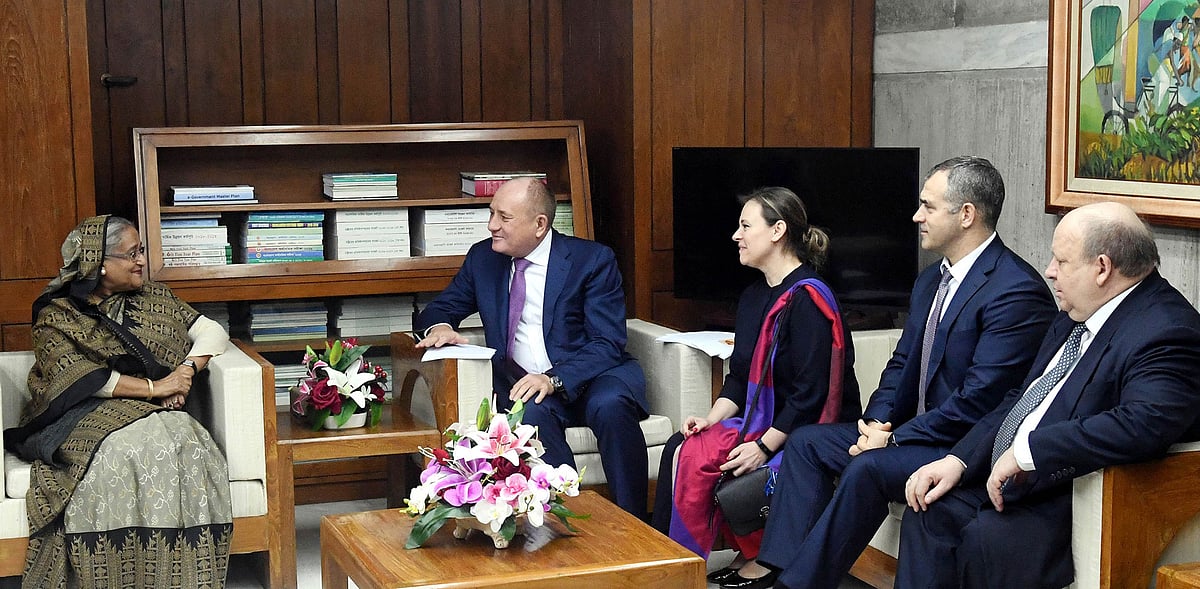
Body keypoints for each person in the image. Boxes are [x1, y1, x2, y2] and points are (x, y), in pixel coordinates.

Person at [724, 156, 1058, 589]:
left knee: (867, 468)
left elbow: (979, 399)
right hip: (907, 429)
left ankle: (797, 585)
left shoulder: (1015, 291)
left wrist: (894, 438)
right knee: (807, 442)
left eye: (928, 206)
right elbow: (901, 363)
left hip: (961, 443)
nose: (916, 216)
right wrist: (876, 421)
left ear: (967, 215)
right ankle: (781, 567)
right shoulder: (931, 280)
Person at [899, 202, 1200, 589]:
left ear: (1103, 268)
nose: (1049, 271)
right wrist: (958, 459)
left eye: (1061, 261)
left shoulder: (1167, 331)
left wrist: (1029, 453)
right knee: (929, 510)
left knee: (986, 538)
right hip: (1011, 481)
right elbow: (1021, 398)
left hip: (1072, 494)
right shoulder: (1076, 310)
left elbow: (1143, 423)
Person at [3, 215, 233, 588]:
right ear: (100, 262)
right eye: (131, 254)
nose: (141, 260)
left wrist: (186, 371)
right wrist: (157, 389)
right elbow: (81, 379)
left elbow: (211, 331)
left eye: (141, 250)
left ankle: (187, 574)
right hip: (79, 412)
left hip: (151, 408)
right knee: (131, 449)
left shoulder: (155, 298)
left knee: (189, 442)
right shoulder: (56, 314)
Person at [650, 187, 862, 566]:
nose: (736, 235)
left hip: (806, 429)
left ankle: (756, 557)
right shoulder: (751, 297)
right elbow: (739, 377)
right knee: (682, 447)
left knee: (734, 460)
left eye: (746, 226)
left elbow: (810, 396)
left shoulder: (809, 299)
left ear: (778, 230)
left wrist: (763, 447)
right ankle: (674, 562)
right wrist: (709, 419)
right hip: (763, 422)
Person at [414, 177, 649, 518]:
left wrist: (553, 379)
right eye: (491, 213)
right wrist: (441, 327)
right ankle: (574, 520)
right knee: (529, 412)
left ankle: (636, 526)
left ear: (540, 224)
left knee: (610, 406)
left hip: (595, 376)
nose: (492, 225)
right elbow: (439, 308)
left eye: (504, 217)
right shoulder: (484, 259)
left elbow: (607, 342)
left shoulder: (592, 260)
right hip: (526, 386)